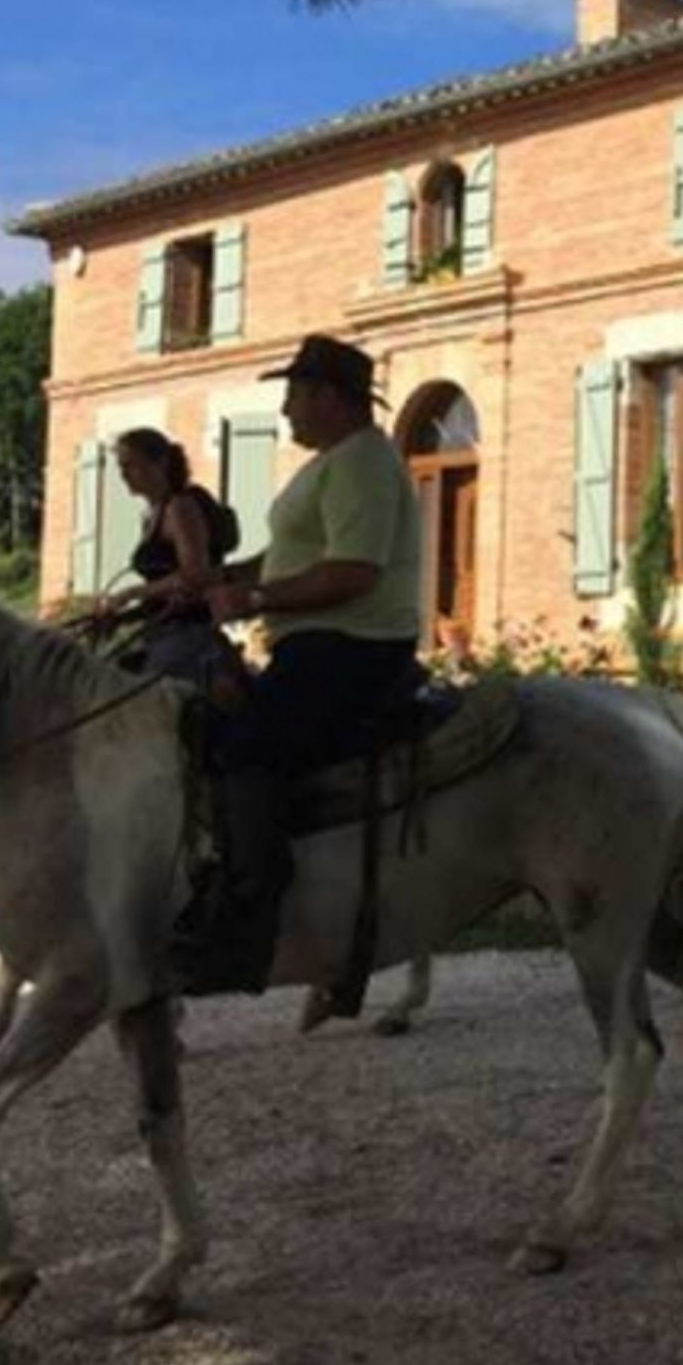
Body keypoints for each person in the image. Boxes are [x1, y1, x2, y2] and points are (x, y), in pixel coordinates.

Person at [171, 334, 423, 996]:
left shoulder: (364, 464)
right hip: (321, 642)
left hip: (352, 646)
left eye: (293, 395)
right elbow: (291, 556)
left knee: (243, 749)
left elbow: (353, 571)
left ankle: (249, 923)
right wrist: (216, 577)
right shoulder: (334, 462)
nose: (285, 411)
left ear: (329, 397)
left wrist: (253, 597)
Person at [93, 428, 237, 682]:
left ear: (159, 463)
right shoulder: (155, 513)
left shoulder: (180, 507)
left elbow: (195, 575)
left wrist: (130, 593)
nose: (124, 475)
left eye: (131, 465)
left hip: (186, 637)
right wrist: (122, 618)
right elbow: (162, 595)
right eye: (121, 468)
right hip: (163, 634)